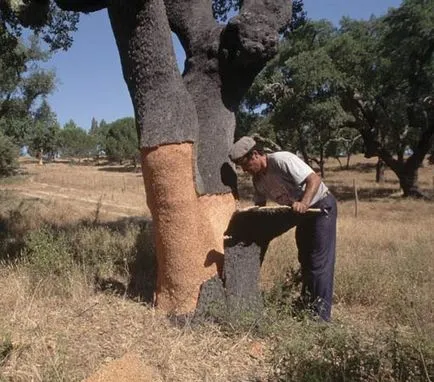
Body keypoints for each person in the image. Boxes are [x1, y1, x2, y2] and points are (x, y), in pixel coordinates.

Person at [228, 136, 337, 321]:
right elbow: (260, 207)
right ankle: (307, 306)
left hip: (320, 208)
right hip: (301, 216)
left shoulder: (281, 160)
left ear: (255, 154)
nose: (244, 170)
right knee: (305, 260)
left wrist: (304, 202)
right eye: (239, 166)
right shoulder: (258, 180)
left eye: (244, 164)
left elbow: (314, 179)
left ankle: (321, 320)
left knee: (319, 263)